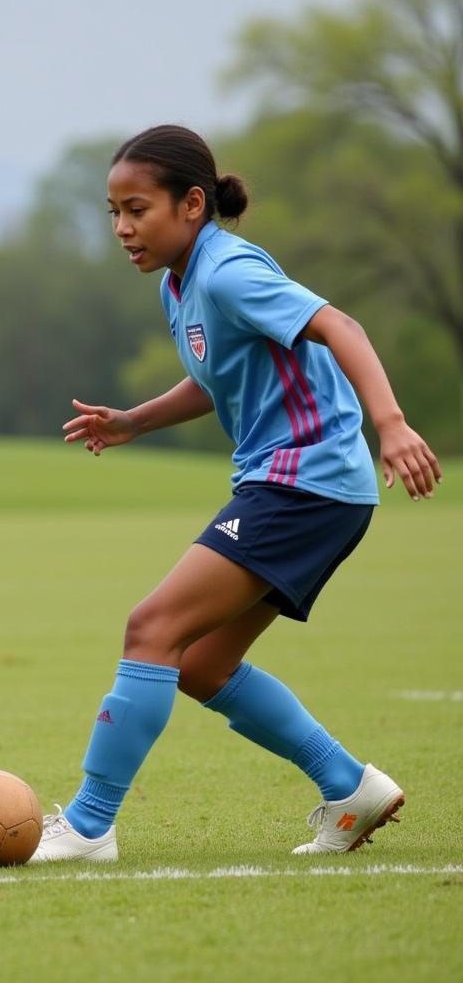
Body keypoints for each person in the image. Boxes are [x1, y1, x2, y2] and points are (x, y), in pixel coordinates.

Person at [31, 124, 441, 863]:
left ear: (193, 204)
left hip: (305, 482)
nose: (122, 228)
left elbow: (338, 325)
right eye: (113, 211)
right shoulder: (179, 283)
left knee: (151, 628)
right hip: (300, 487)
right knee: (197, 664)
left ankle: (91, 825)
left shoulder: (227, 272)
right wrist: (136, 421)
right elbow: (214, 373)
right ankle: (349, 787)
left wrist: (394, 424)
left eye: (137, 209)